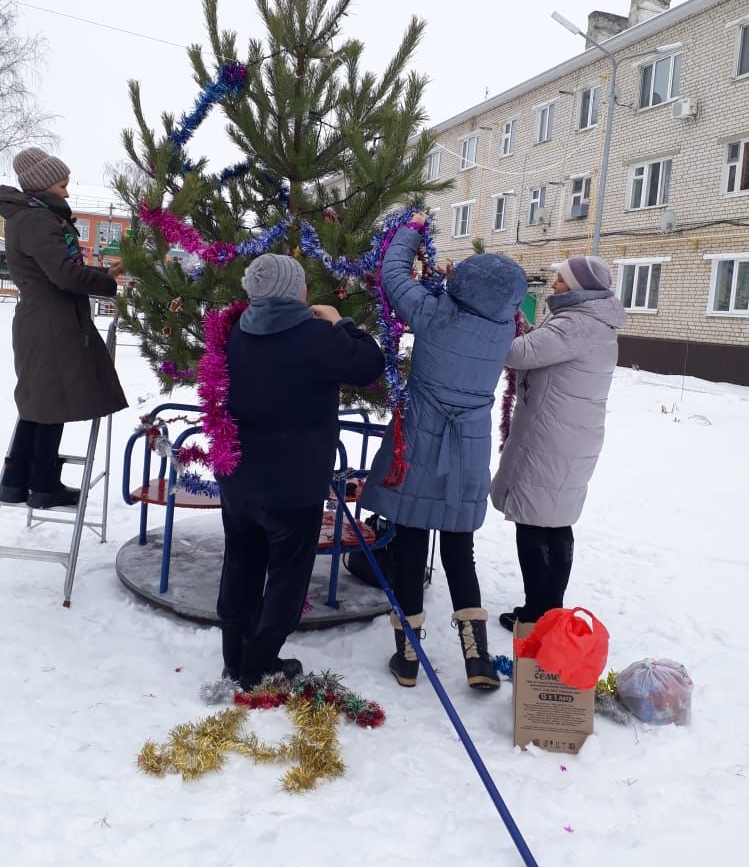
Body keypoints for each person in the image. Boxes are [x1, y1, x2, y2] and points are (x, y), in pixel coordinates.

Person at [359, 214, 527, 691]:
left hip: (421, 442)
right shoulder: (505, 330)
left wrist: (412, 231)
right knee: (459, 548)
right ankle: (477, 659)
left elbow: (393, 276)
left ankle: (408, 657)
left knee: (410, 541)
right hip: (468, 450)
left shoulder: (436, 314)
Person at [215, 253, 385, 689]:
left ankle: (234, 656)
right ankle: (258, 664)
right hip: (293, 487)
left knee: (241, 564)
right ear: (297, 293)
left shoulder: (233, 333)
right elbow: (370, 364)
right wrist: (341, 322)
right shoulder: (315, 337)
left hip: (238, 479)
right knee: (287, 579)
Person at [491, 255, 626, 631]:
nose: (553, 285)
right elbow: (543, 349)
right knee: (556, 521)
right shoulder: (592, 322)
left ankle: (538, 613)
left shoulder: (575, 324)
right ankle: (550, 607)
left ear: (580, 288)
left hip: (552, 439)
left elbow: (517, 353)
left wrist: (496, 316)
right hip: (571, 436)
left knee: (533, 521)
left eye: (561, 281)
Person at [0, 148, 127, 509]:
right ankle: (42, 485)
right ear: (43, 186)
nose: (67, 193)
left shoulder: (26, 217)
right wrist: (107, 283)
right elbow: (65, 274)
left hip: (42, 320)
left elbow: (55, 270)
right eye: (62, 185)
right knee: (53, 402)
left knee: (40, 401)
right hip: (52, 324)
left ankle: (14, 479)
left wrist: (102, 274)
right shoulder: (38, 221)